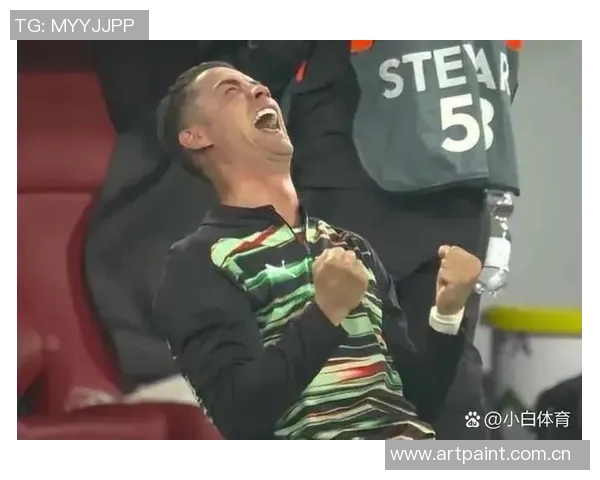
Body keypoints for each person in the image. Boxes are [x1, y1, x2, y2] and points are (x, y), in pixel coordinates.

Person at [152, 61, 483, 440]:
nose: (260, 91)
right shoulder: (196, 263)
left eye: (257, 84)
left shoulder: (351, 247)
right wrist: (325, 314)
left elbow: (417, 401)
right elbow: (239, 414)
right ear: (195, 137)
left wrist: (447, 313)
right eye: (231, 90)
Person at [234, 40, 522, 439]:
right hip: (459, 171)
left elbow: (273, 54)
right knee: (446, 352)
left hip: (353, 168)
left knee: (342, 356)